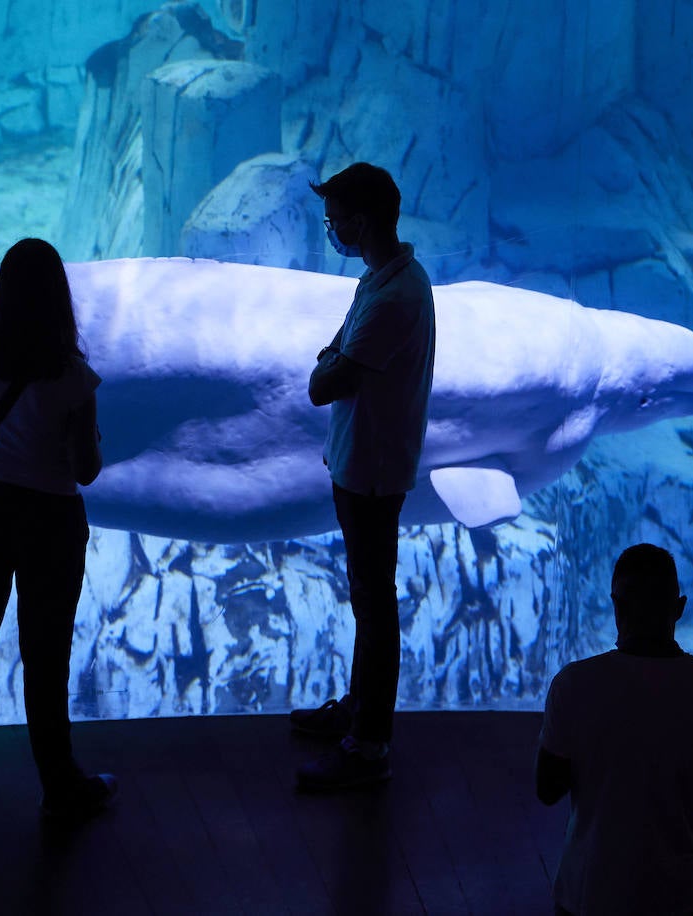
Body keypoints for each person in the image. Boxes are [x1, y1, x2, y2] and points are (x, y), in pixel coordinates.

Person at [0, 237, 117, 818]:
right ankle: (60, 784)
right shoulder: (73, 377)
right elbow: (85, 469)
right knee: (45, 653)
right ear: (59, 299)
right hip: (47, 518)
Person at [290, 162, 437, 790]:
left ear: (365, 220)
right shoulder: (381, 279)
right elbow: (338, 354)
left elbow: (325, 381)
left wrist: (331, 363)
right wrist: (335, 358)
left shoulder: (396, 296)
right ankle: (359, 709)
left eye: (337, 219)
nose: (333, 228)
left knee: (374, 607)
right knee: (367, 600)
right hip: (362, 461)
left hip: (373, 470)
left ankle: (369, 744)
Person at [537, 543, 693, 916]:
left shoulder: (574, 684)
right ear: (679, 608)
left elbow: (548, 788)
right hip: (677, 893)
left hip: (588, 889)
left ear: (616, 605)